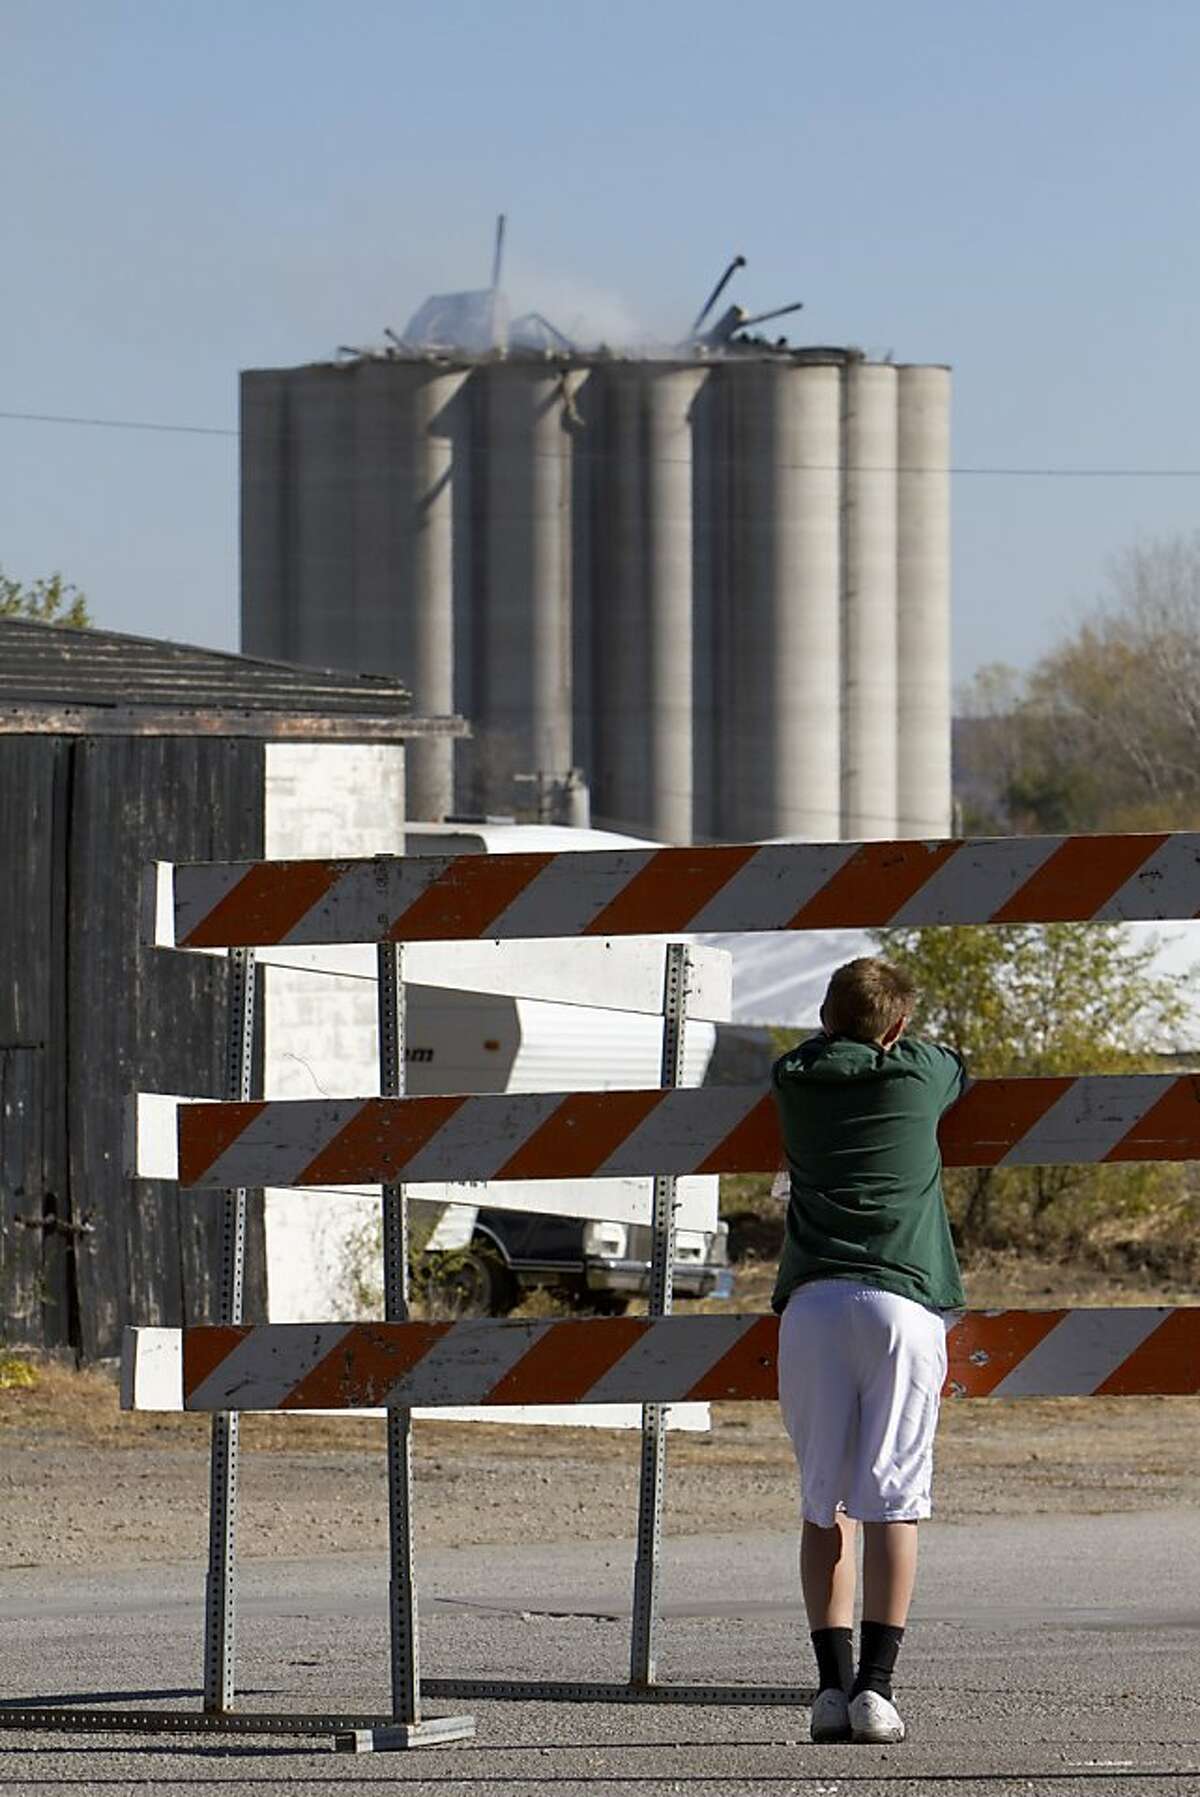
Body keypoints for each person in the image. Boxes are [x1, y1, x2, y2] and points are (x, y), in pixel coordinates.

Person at [770, 956, 966, 1746]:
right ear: (896, 1027)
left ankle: (827, 1687)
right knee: (894, 1497)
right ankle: (877, 1689)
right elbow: (959, 1066)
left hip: (813, 1304)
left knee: (825, 1503)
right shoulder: (919, 1072)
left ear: (824, 1015)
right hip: (901, 1303)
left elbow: (807, 1055)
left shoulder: (794, 1076)